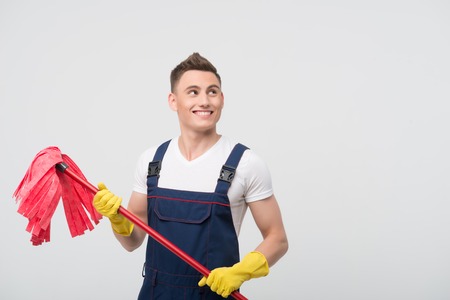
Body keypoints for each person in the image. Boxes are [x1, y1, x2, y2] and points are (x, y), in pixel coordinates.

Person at [93, 52, 288, 299]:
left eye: (212, 91)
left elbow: (278, 239)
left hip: (214, 294)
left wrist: (241, 271)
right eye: (193, 92)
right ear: (173, 101)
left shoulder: (246, 164)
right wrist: (117, 220)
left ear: (222, 99)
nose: (205, 101)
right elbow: (132, 242)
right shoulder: (153, 161)